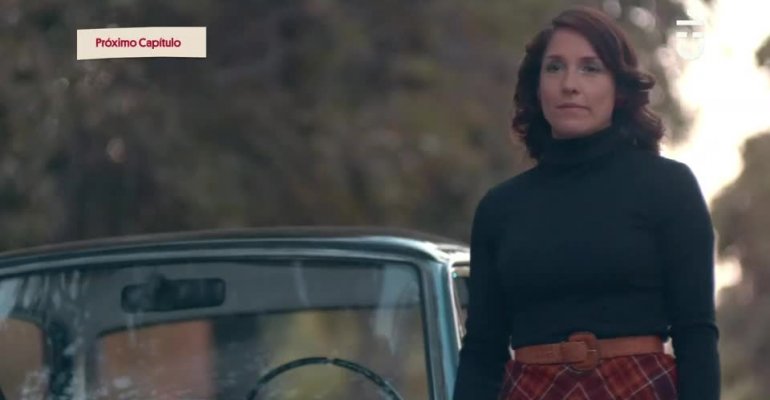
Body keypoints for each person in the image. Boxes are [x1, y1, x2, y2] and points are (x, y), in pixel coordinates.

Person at [453, 6, 720, 400]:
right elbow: (482, 352)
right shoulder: (499, 209)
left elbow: (696, 333)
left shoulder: (668, 187)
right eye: (555, 68)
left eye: (590, 69)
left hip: (638, 389)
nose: (569, 85)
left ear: (619, 89)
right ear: (537, 87)